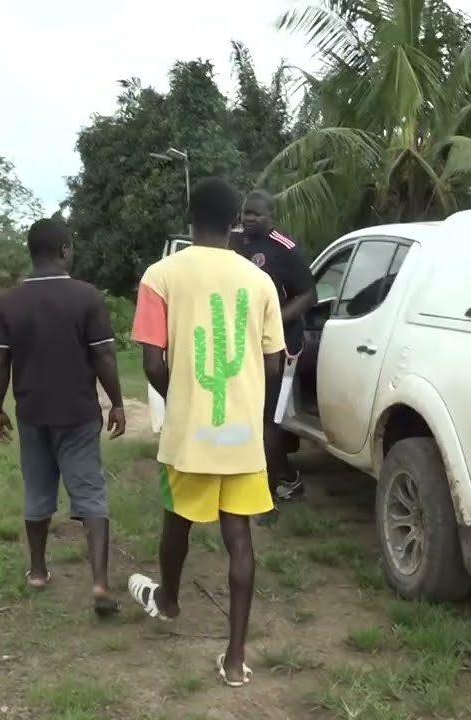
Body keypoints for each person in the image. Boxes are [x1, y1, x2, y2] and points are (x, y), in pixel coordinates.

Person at [129, 176, 285, 687]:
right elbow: (275, 362)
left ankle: (168, 600)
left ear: (190, 218)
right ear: (237, 220)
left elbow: (153, 361)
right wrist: (260, 418)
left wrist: (183, 400)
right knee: (239, 537)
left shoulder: (160, 275)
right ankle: (236, 660)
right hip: (241, 433)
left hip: (192, 431)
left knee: (178, 520)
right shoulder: (260, 282)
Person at [0, 217, 127, 617]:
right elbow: (103, 355)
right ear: (65, 250)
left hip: (31, 414)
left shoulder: (7, 302)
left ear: (30, 253)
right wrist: (116, 401)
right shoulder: (87, 297)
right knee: (91, 495)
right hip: (79, 416)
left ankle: (37, 570)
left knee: (37, 492)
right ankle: (99, 582)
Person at [231, 190, 316, 522]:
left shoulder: (285, 249)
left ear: (271, 216)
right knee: (252, 417)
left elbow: (308, 293)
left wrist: (274, 322)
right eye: (245, 213)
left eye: (257, 214)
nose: (249, 219)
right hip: (245, 344)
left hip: (281, 347)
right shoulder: (235, 244)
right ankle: (287, 478)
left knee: (270, 420)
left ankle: (265, 500)